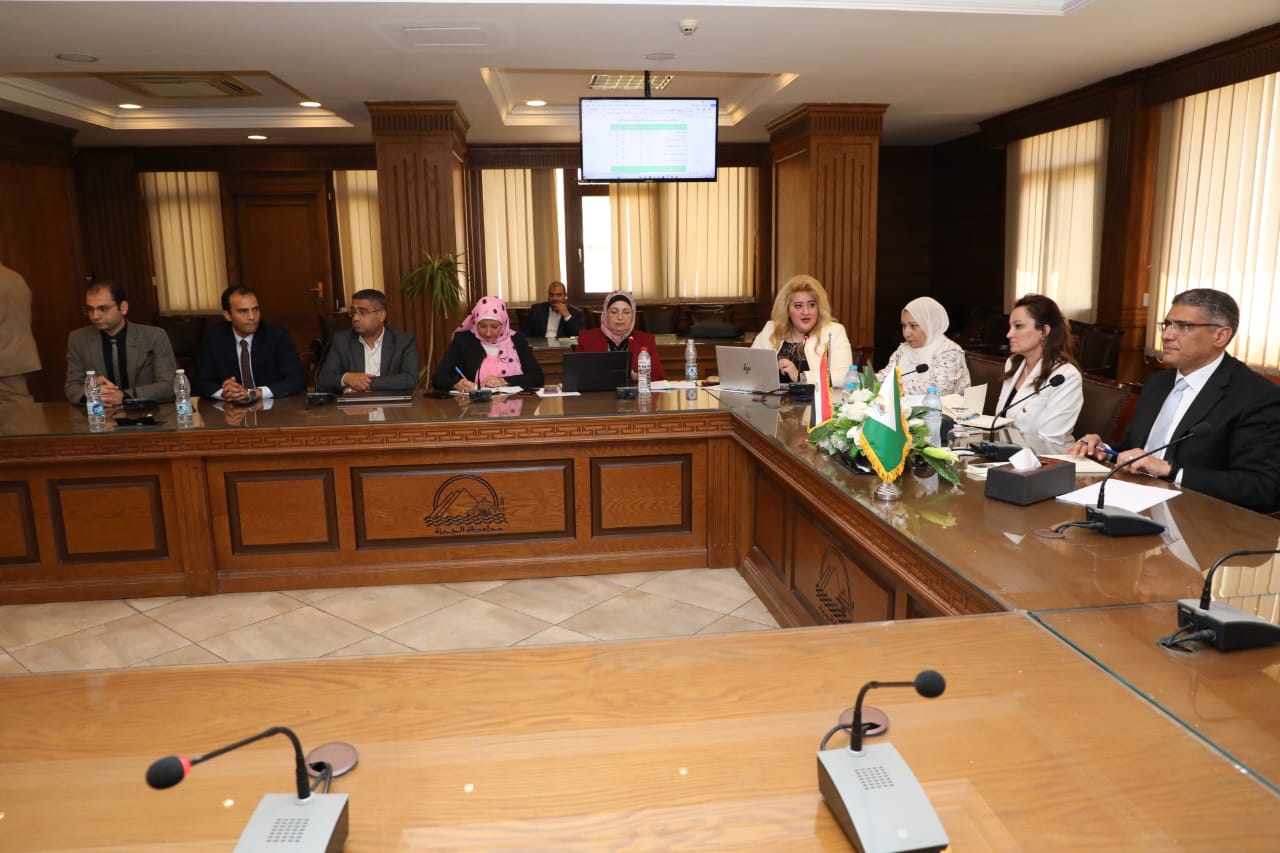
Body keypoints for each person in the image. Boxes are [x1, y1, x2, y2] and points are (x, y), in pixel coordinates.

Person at [1071, 289, 1280, 513]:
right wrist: (1105, 449)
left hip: (1197, 517)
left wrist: (1171, 471)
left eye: (1183, 326)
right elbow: (1138, 449)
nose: (1167, 335)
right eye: (1167, 324)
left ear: (1220, 336)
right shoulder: (1158, 383)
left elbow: (1260, 488)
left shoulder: (1257, 396)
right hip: (1132, 501)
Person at [64, 281, 177, 406]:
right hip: (100, 413)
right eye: (90, 309)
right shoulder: (78, 339)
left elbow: (169, 385)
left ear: (123, 308)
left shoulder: (154, 336)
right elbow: (72, 387)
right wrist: (94, 393)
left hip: (148, 412)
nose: (95, 316)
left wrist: (124, 396)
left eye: (103, 309)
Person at [995, 293, 1082, 449]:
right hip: (1005, 451)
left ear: (1044, 331)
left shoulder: (1066, 376)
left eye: (1018, 326)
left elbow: (1051, 442)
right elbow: (1001, 423)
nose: (1009, 334)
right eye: (1010, 327)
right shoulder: (1013, 363)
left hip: (1045, 457)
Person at [195, 286, 304, 402]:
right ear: (227, 315)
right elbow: (202, 381)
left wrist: (253, 393)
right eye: (243, 311)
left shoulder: (277, 336)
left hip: (273, 407)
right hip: (230, 409)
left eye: (255, 310)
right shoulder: (213, 337)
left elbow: (296, 380)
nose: (252, 317)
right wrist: (225, 393)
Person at [751, 274, 852, 387]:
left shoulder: (834, 332)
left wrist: (801, 377)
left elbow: (845, 376)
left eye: (812, 305)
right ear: (787, 309)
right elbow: (748, 368)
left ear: (819, 308)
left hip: (813, 398)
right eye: (798, 306)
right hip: (769, 397)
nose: (806, 312)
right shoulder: (771, 329)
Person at [316, 289, 419, 394]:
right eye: (353, 312)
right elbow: (323, 382)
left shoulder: (404, 342)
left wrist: (364, 385)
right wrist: (347, 378)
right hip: (353, 403)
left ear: (381, 315)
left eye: (362, 312)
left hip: (391, 403)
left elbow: (410, 379)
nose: (355, 318)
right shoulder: (341, 341)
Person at [432, 295, 544, 391]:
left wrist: (503, 381)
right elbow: (438, 378)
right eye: (482, 326)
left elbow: (537, 377)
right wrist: (456, 384)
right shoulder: (463, 340)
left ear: (504, 323)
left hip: (514, 404)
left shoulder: (517, 339)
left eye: (494, 327)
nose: (488, 333)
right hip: (475, 406)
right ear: (475, 322)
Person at [877, 296, 970, 397]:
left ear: (930, 325)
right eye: (904, 326)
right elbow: (887, 375)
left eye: (913, 326)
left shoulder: (950, 351)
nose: (906, 333)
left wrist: (898, 388)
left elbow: (939, 389)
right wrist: (869, 381)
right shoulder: (903, 349)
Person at [576, 291, 667, 380]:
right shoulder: (586, 339)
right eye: (614, 312)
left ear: (633, 316)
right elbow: (577, 377)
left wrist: (638, 376)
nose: (620, 317)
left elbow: (659, 378)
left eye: (626, 312)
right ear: (605, 314)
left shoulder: (646, 340)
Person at [0, 260, 41, 405]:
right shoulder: (15, 277)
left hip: (4, 363)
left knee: (16, 413)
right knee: (19, 409)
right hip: (18, 358)